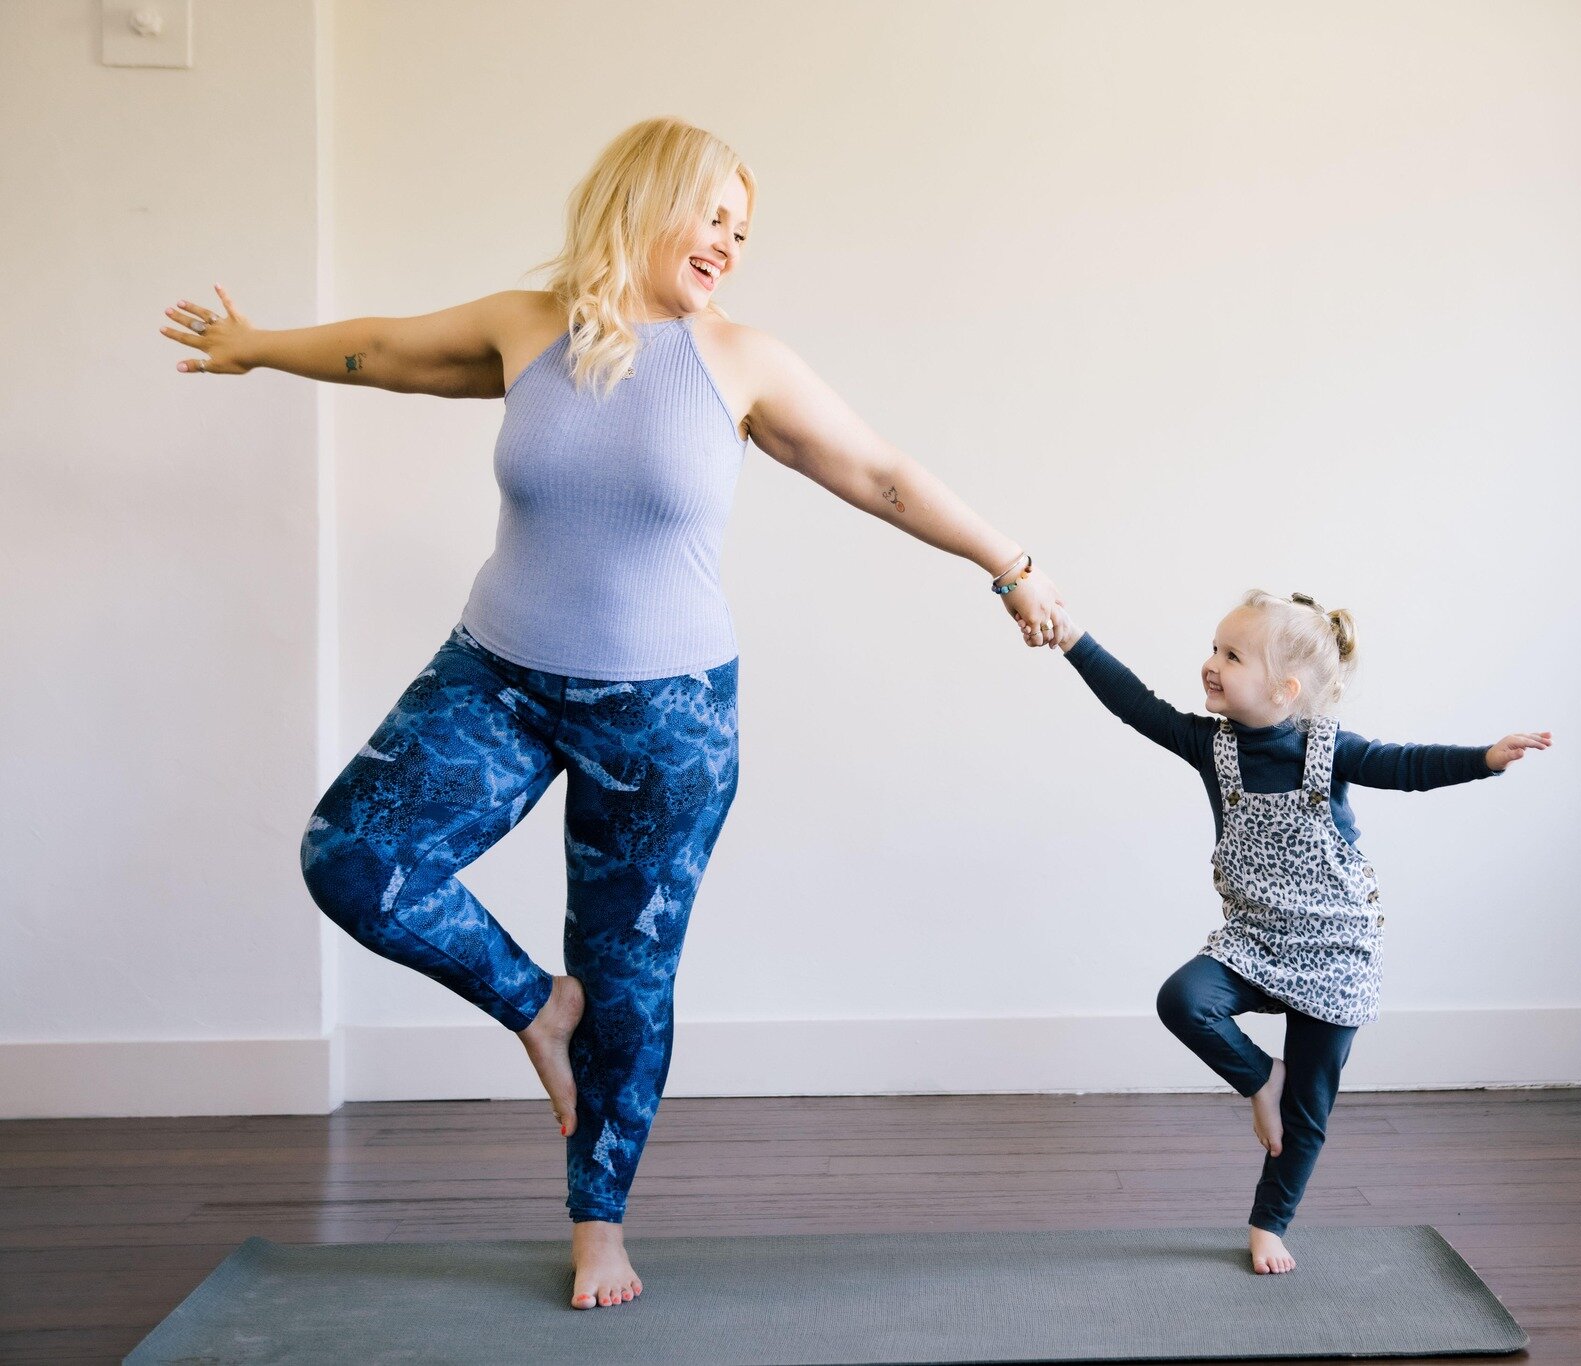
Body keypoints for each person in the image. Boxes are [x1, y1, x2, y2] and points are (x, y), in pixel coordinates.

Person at [160, 116, 1069, 1311]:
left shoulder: (740, 360)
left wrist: (1011, 566)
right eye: (715, 219)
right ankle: (538, 1009)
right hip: (497, 675)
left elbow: (881, 473)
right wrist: (256, 345)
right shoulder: (525, 326)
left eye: (745, 233)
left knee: (630, 978)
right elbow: (384, 349)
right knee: (355, 856)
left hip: (670, 716)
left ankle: (600, 1223)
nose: (730, 247)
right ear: (647, 200)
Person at [1053, 590, 1549, 1273]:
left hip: (1336, 947)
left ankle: (1270, 1223)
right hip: (1254, 937)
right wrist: (1072, 636)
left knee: (1309, 1108)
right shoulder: (1210, 747)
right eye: (1213, 647)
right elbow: (1134, 702)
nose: (1211, 663)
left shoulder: (1328, 750)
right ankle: (1262, 1077)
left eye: (1232, 655)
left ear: (1286, 690)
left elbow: (1404, 767)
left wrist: (1483, 758)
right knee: (1182, 1000)